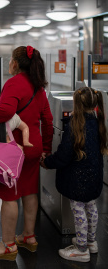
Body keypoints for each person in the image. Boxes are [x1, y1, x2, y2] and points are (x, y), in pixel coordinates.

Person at [0, 46, 53, 261]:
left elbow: (5, 112)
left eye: (11, 60)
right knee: (30, 190)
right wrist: (47, 149)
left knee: (10, 195)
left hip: (14, 149)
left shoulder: (13, 83)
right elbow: (48, 120)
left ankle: (8, 246)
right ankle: (28, 237)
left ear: (15, 63)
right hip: (34, 147)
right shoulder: (38, 87)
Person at [40, 87, 108, 263]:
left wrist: (47, 162)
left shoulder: (74, 125)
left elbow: (64, 155)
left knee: (78, 211)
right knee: (91, 207)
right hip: (94, 177)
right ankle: (91, 242)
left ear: (76, 104)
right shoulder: (97, 122)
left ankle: (81, 250)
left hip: (77, 179)